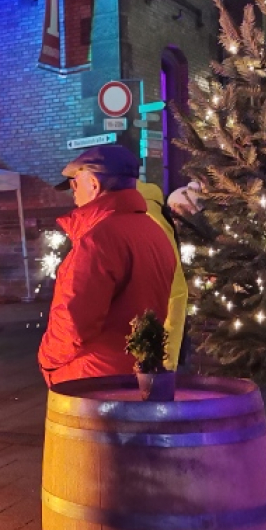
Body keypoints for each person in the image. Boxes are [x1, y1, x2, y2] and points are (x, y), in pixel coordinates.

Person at [38, 146, 177, 387]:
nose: (73, 192)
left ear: (93, 184)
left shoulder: (98, 239)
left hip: (93, 380)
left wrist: (47, 361)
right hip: (140, 369)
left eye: (75, 183)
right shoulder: (153, 231)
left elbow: (73, 321)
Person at [136, 181, 188, 369]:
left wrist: (165, 362)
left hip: (145, 350)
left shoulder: (146, 216)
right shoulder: (146, 212)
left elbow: (176, 291)